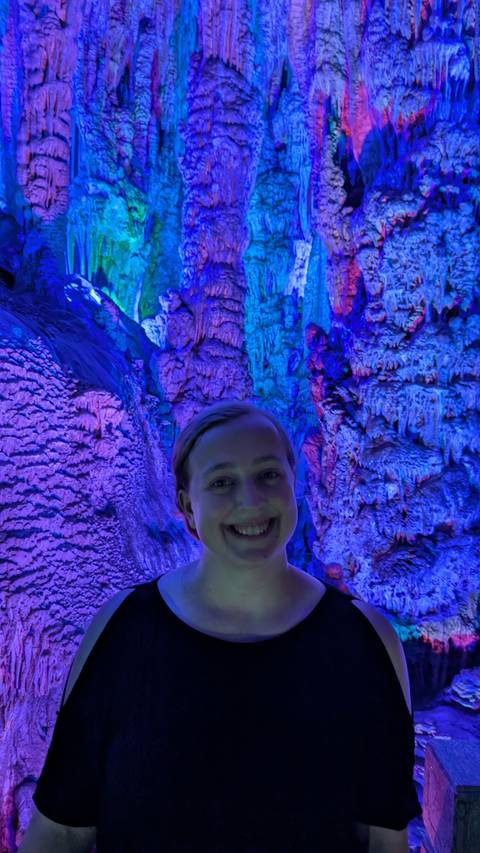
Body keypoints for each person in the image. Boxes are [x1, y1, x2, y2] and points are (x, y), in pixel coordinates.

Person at [20, 399, 422, 852]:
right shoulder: (121, 632)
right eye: (222, 481)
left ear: (296, 486)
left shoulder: (366, 641)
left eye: (268, 474)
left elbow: (386, 839)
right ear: (188, 508)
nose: (249, 500)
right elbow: (60, 830)